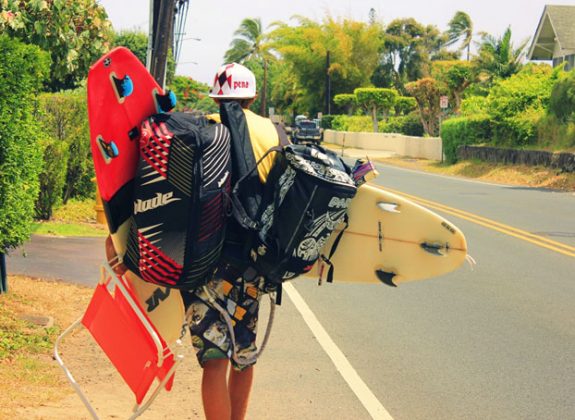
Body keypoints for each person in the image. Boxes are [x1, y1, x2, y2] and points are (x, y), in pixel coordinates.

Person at [179, 62, 280, 420]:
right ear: (252, 95)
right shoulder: (273, 131)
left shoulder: (202, 128)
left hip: (206, 260)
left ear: (216, 96)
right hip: (252, 264)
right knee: (243, 355)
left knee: (214, 361)